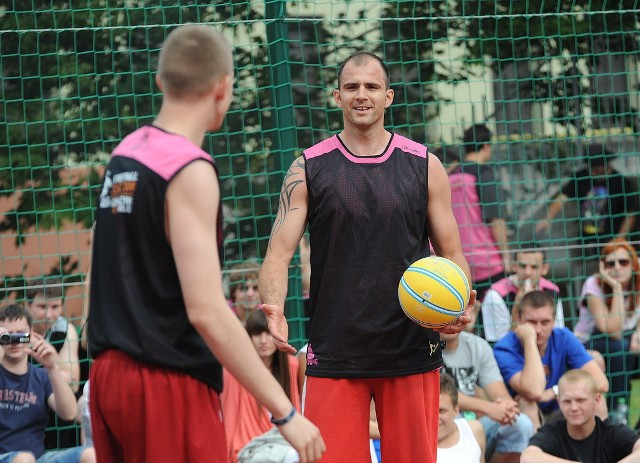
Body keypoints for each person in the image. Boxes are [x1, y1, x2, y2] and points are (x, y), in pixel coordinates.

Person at [87, 25, 324, 462]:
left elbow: (95, 269)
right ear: (223, 87)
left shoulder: (124, 154)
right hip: (164, 381)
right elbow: (207, 310)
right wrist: (286, 411)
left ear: (161, 82)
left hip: (107, 375)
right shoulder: (189, 169)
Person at [259, 50, 475, 462]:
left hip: (411, 346)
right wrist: (274, 307)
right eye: (352, 87)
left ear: (389, 96)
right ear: (336, 97)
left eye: (372, 87)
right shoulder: (308, 167)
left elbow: (452, 254)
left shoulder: (424, 165)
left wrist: (462, 300)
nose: (362, 95)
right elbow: (277, 253)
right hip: (335, 347)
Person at [493, 290, 609, 429]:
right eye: (531, 322)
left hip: (561, 407)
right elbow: (534, 391)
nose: (538, 329)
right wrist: (530, 341)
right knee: (527, 402)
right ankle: (536, 450)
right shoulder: (505, 348)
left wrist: (555, 391)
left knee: (597, 402)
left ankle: (597, 448)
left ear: (554, 321)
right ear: (518, 319)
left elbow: (601, 383)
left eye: (545, 322)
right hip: (521, 418)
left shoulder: (563, 337)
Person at [0, 303, 95, 463]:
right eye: (7, 336)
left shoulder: (41, 376)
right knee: (24, 459)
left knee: (90, 454)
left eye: (21, 335)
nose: (14, 341)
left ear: (31, 335)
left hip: (38, 458)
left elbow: (69, 413)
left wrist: (52, 368)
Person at [536, 143, 639, 277]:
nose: (594, 170)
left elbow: (630, 214)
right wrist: (548, 218)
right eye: (591, 167)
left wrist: (620, 238)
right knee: (585, 274)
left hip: (610, 239)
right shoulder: (582, 177)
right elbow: (563, 197)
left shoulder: (620, 182)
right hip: (585, 240)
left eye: (597, 166)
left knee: (613, 273)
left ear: (606, 164)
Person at [221, 310, 301, 463]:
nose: (263, 340)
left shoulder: (292, 366)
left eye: (268, 333)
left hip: (284, 439)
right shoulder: (234, 371)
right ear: (248, 338)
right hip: (250, 444)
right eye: (257, 334)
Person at [441, 330, 533, 463]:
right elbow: (438, 395)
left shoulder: (477, 345)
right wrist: (488, 408)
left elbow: (498, 391)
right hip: (440, 420)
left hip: (472, 422)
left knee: (520, 423)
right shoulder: (423, 346)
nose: (449, 320)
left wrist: (507, 409)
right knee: (453, 419)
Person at [573, 238, 640, 411]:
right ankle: (617, 409)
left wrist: (638, 333)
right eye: (610, 263)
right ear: (603, 267)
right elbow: (613, 331)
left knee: (624, 347)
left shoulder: (637, 282)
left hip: (624, 340)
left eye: (623, 262)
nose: (617, 268)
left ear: (633, 264)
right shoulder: (593, 285)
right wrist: (616, 287)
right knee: (620, 346)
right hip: (588, 342)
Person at [521, 369, 640, 463]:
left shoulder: (611, 433)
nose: (573, 408)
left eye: (580, 400)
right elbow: (528, 457)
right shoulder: (552, 433)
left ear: (597, 400)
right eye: (567, 401)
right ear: (559, 402)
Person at [449, 123, 510, 301]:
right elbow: (496, 220)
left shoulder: (450, 176)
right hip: (487, 262)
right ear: (486, 146)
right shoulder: (484, 174)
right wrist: (506, 256)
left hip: (457, 263)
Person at [25, 277, 81, 451]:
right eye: (42, 307)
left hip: (53, 404)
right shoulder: (13, 329)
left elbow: (72, 383)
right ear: (27, 305)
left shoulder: (66, 330)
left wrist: (50, 356)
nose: (49, 315)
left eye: (55, 307)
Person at [481, 246, 565, 342]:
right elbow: (499, 344)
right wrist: (517, 309)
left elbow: (558, 333)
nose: (527, 272)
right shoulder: (495, 295)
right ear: (514, 266)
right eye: (522, 266)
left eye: (534, 267)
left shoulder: (552, 291)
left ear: (544, 268)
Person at [437, 371, 486, 463]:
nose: (435, 418)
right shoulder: (415, 443)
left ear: (455, 410)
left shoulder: (474, 430)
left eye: (441, 411)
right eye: (430, 412)